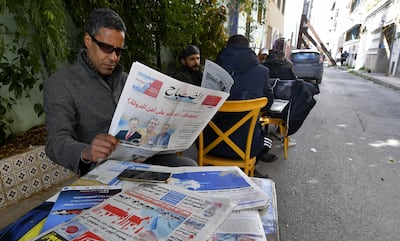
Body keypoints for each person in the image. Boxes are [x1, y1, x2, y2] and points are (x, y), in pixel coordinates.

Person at [44, 8, 196, 175]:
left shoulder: (130, 80)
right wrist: (88, 152)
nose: (113, 57)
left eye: (119, 51)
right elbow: (55, 142)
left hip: (145, 159)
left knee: (188, 168)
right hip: (103, 168)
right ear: (88, 40)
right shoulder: (61, 83)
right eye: (106, 48)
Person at [202, 34, 277, 162]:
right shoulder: (262, 72)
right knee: (266, 139)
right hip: (246, 146)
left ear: (227, 48)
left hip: (208, 145)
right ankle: (250, 170)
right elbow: (268, 103)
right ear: (248, 49)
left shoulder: (210, 71)